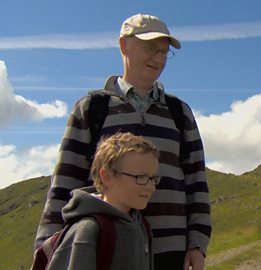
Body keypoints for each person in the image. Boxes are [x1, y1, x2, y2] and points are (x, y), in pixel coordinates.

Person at [35, 14, 211, 270]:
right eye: (150, 48)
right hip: (108, 249)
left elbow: (196, 180)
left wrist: (197, 244)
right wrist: (47, 246)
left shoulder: (179, 112)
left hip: (172, 251)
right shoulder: (92, 108)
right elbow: (65, 180)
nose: (158, 59)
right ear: (123, 45)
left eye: (164, 52)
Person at [47, 132, 159, 269]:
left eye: (153, 179)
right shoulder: (87, 230)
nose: (151, 187)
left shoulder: (141, 224)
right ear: (107, 176)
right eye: (141, 177)